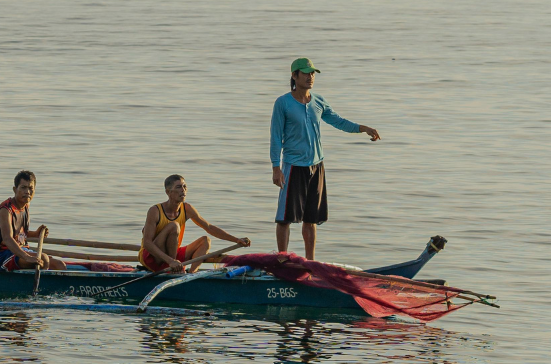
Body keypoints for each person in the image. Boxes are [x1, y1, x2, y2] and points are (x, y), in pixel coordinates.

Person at [270, 58, 380, 259]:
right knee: (284, 218)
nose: (310, 76)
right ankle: (282, 259)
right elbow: (276, 137)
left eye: (312, 73)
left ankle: (311, 262)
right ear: (294, 75)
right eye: (305, 73)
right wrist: (276, 167)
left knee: (311, 219)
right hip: (293, 166)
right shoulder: (283, 103)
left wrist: (362, 128)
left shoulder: (318, 101)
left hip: (316, 165)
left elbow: (338, 121)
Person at [139, 174, 250, 273]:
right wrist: (171, 261)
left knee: (205, 241)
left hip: (173, 257)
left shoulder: (187, 208)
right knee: (174, 225)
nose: (183, 190)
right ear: (168, 192)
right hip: (153, 258)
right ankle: (174, 269)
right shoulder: (155, 211)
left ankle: (191, 274)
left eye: (184, 186)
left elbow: (209, 227)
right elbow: (147, 243)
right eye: (178, 187)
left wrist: (236, 240)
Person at [0, 170, 60, 272]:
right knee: (43, 259)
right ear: (15, 189)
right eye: (23, 188)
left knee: (59, 265)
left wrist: (35, 234)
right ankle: (39, 287)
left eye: (30, 188)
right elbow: (7, 238)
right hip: (1, 255)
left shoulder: (26, 205)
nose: (27, 192)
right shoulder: (6, 210)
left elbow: (18, 234)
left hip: (20, 251)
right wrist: (27, 257)